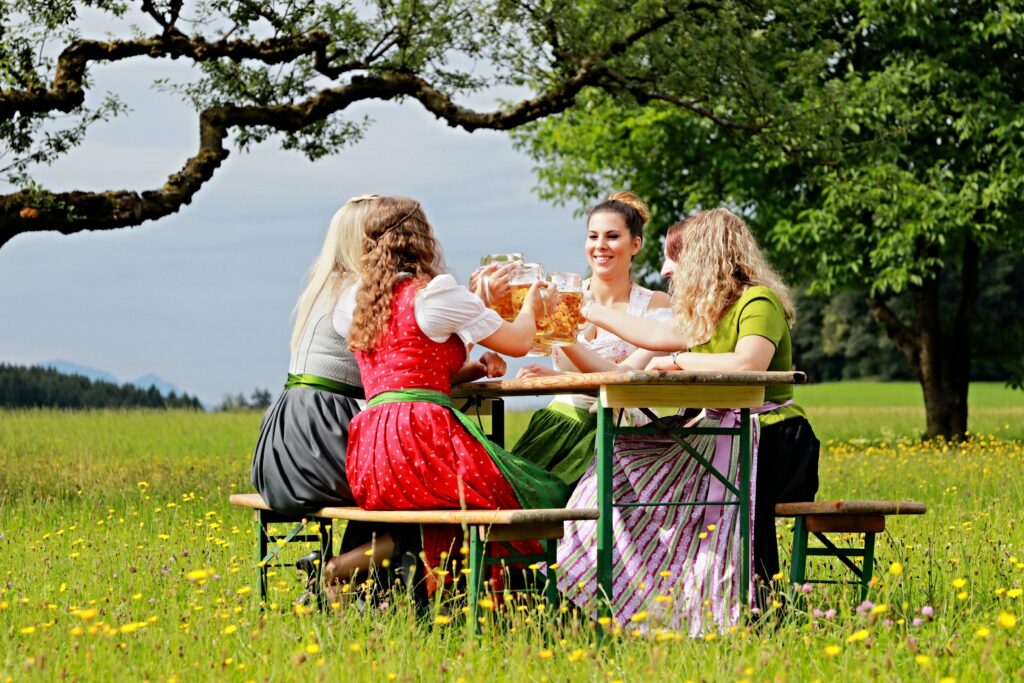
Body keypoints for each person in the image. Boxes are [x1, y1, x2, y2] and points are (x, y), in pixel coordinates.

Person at [555, 207, 820, 632]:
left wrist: (676, 361)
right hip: (723, 435)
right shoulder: (711, 312)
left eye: (672, 259)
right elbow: (653, 338)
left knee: (716, 499)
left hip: (777, 441)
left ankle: (747, 604)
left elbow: (750, 363)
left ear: (703, 256)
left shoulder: (757, 301)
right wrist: (582, 312)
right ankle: (628, 592)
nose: (665, 270)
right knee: (620, 459)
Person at [335, 195, 570, 592]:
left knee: (455, 510)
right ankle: (526, 597)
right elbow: (518, 341)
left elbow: (413, 368)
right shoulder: (435, 293)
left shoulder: (355, 302)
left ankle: (423, 588)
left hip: (370, 451)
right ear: (423, 239)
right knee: (537, 489)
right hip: (420, 442)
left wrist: (474, 358)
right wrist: (530, 305)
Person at [248, 194, 420, 600]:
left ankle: (353, 588)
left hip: (283, 445)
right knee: (418, 493)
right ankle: (340, 572)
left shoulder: (324, 287)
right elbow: (401, 369)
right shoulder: (365, 292)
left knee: (389, 484)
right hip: (321, 439)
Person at [508, 192, 671, 487]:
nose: (600, 246)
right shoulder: (564, 296)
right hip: (561, 422)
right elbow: (525, 341)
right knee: (512, 497)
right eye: (593, 236)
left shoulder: (655, 305)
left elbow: (621, 376)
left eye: (612, 236)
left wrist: (564, 342)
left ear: (635, 244)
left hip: (623, 429)